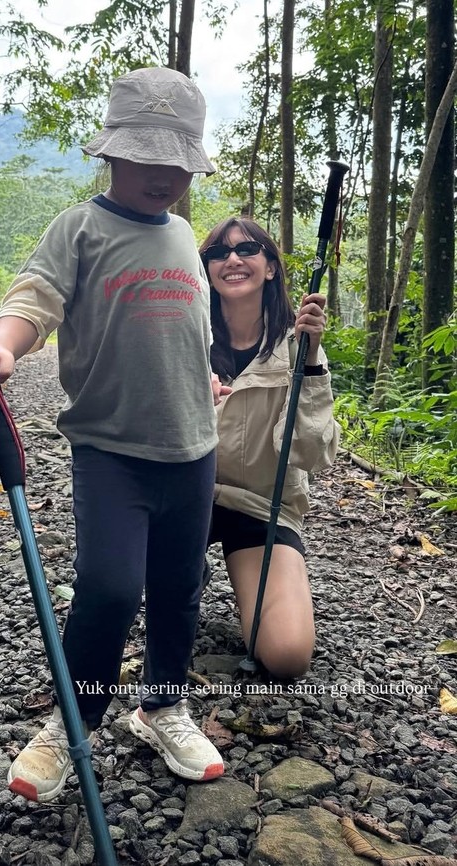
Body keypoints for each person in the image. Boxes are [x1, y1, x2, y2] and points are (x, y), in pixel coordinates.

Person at [0, 67, 226, 803]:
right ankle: (74, 718)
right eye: (145, 157)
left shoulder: (183, 235)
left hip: (194, 449)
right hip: (111, 450)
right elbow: (34, 297)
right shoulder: (80, 227)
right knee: (108, 587)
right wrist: (3, 346)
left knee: (180, 585)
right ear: (112, 153)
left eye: (177, 162)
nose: (163, 175)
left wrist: (205, 377)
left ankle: (163, 705)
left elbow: (184, 331)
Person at [199, 217, 340, 680]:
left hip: (261, 504)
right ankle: (181, 569)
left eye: (247, 249)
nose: (232, 259)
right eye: (218, 253)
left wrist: (310, 362)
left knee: (286, 655)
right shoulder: (184, 337)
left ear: (271, 267)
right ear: (205, 269)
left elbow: (309, 455)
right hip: (185, 499)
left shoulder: (297, 348)